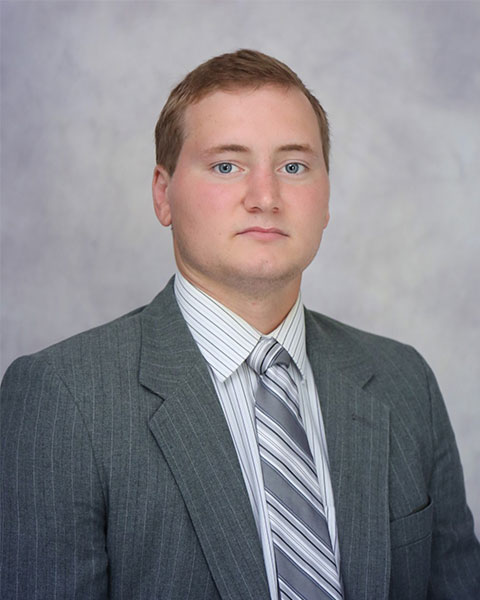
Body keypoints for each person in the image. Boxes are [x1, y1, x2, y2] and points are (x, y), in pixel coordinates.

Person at [1, 49, 479, 600]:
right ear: (163, 194)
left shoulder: (404, 380)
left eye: (293, 166)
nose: (266, 198)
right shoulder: (63, 398)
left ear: (326, 197)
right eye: (227, 166)